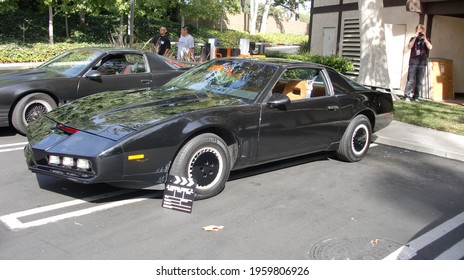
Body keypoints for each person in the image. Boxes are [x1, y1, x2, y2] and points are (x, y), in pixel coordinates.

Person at [404, 24, 433, 102]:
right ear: (416, 31)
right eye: (418, 31)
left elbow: (430, 47)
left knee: (419, 81)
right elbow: (409, 46)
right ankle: (407, 95)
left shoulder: (427, 39)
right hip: (413, 62)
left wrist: (425, 39)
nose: (420, 33)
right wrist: (415, 37)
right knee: (410, 80)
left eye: (421, 31)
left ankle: (416, 96)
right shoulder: (413, 39)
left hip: (422, 64)